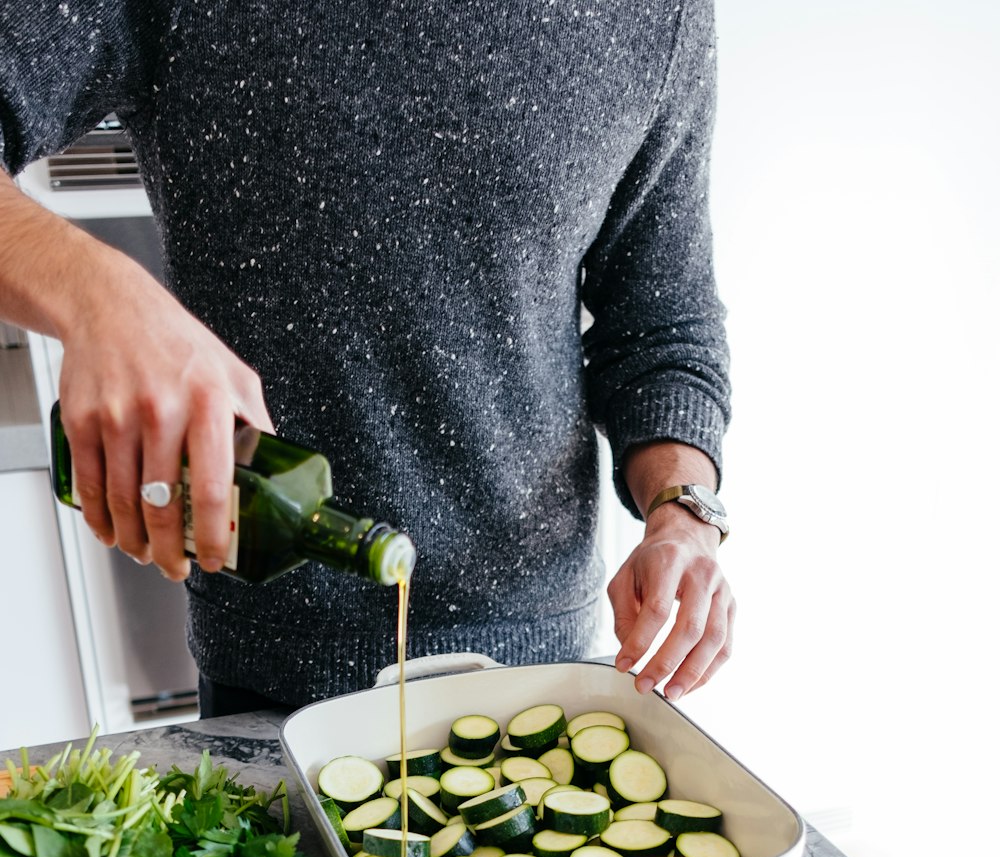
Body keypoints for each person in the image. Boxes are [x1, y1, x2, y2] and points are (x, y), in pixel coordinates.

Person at [0, 0, 734, 718]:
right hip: (273, 666)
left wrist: (683, 513)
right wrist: (98, 293)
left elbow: (663, 322)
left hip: (540, 660)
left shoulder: (659, 15)